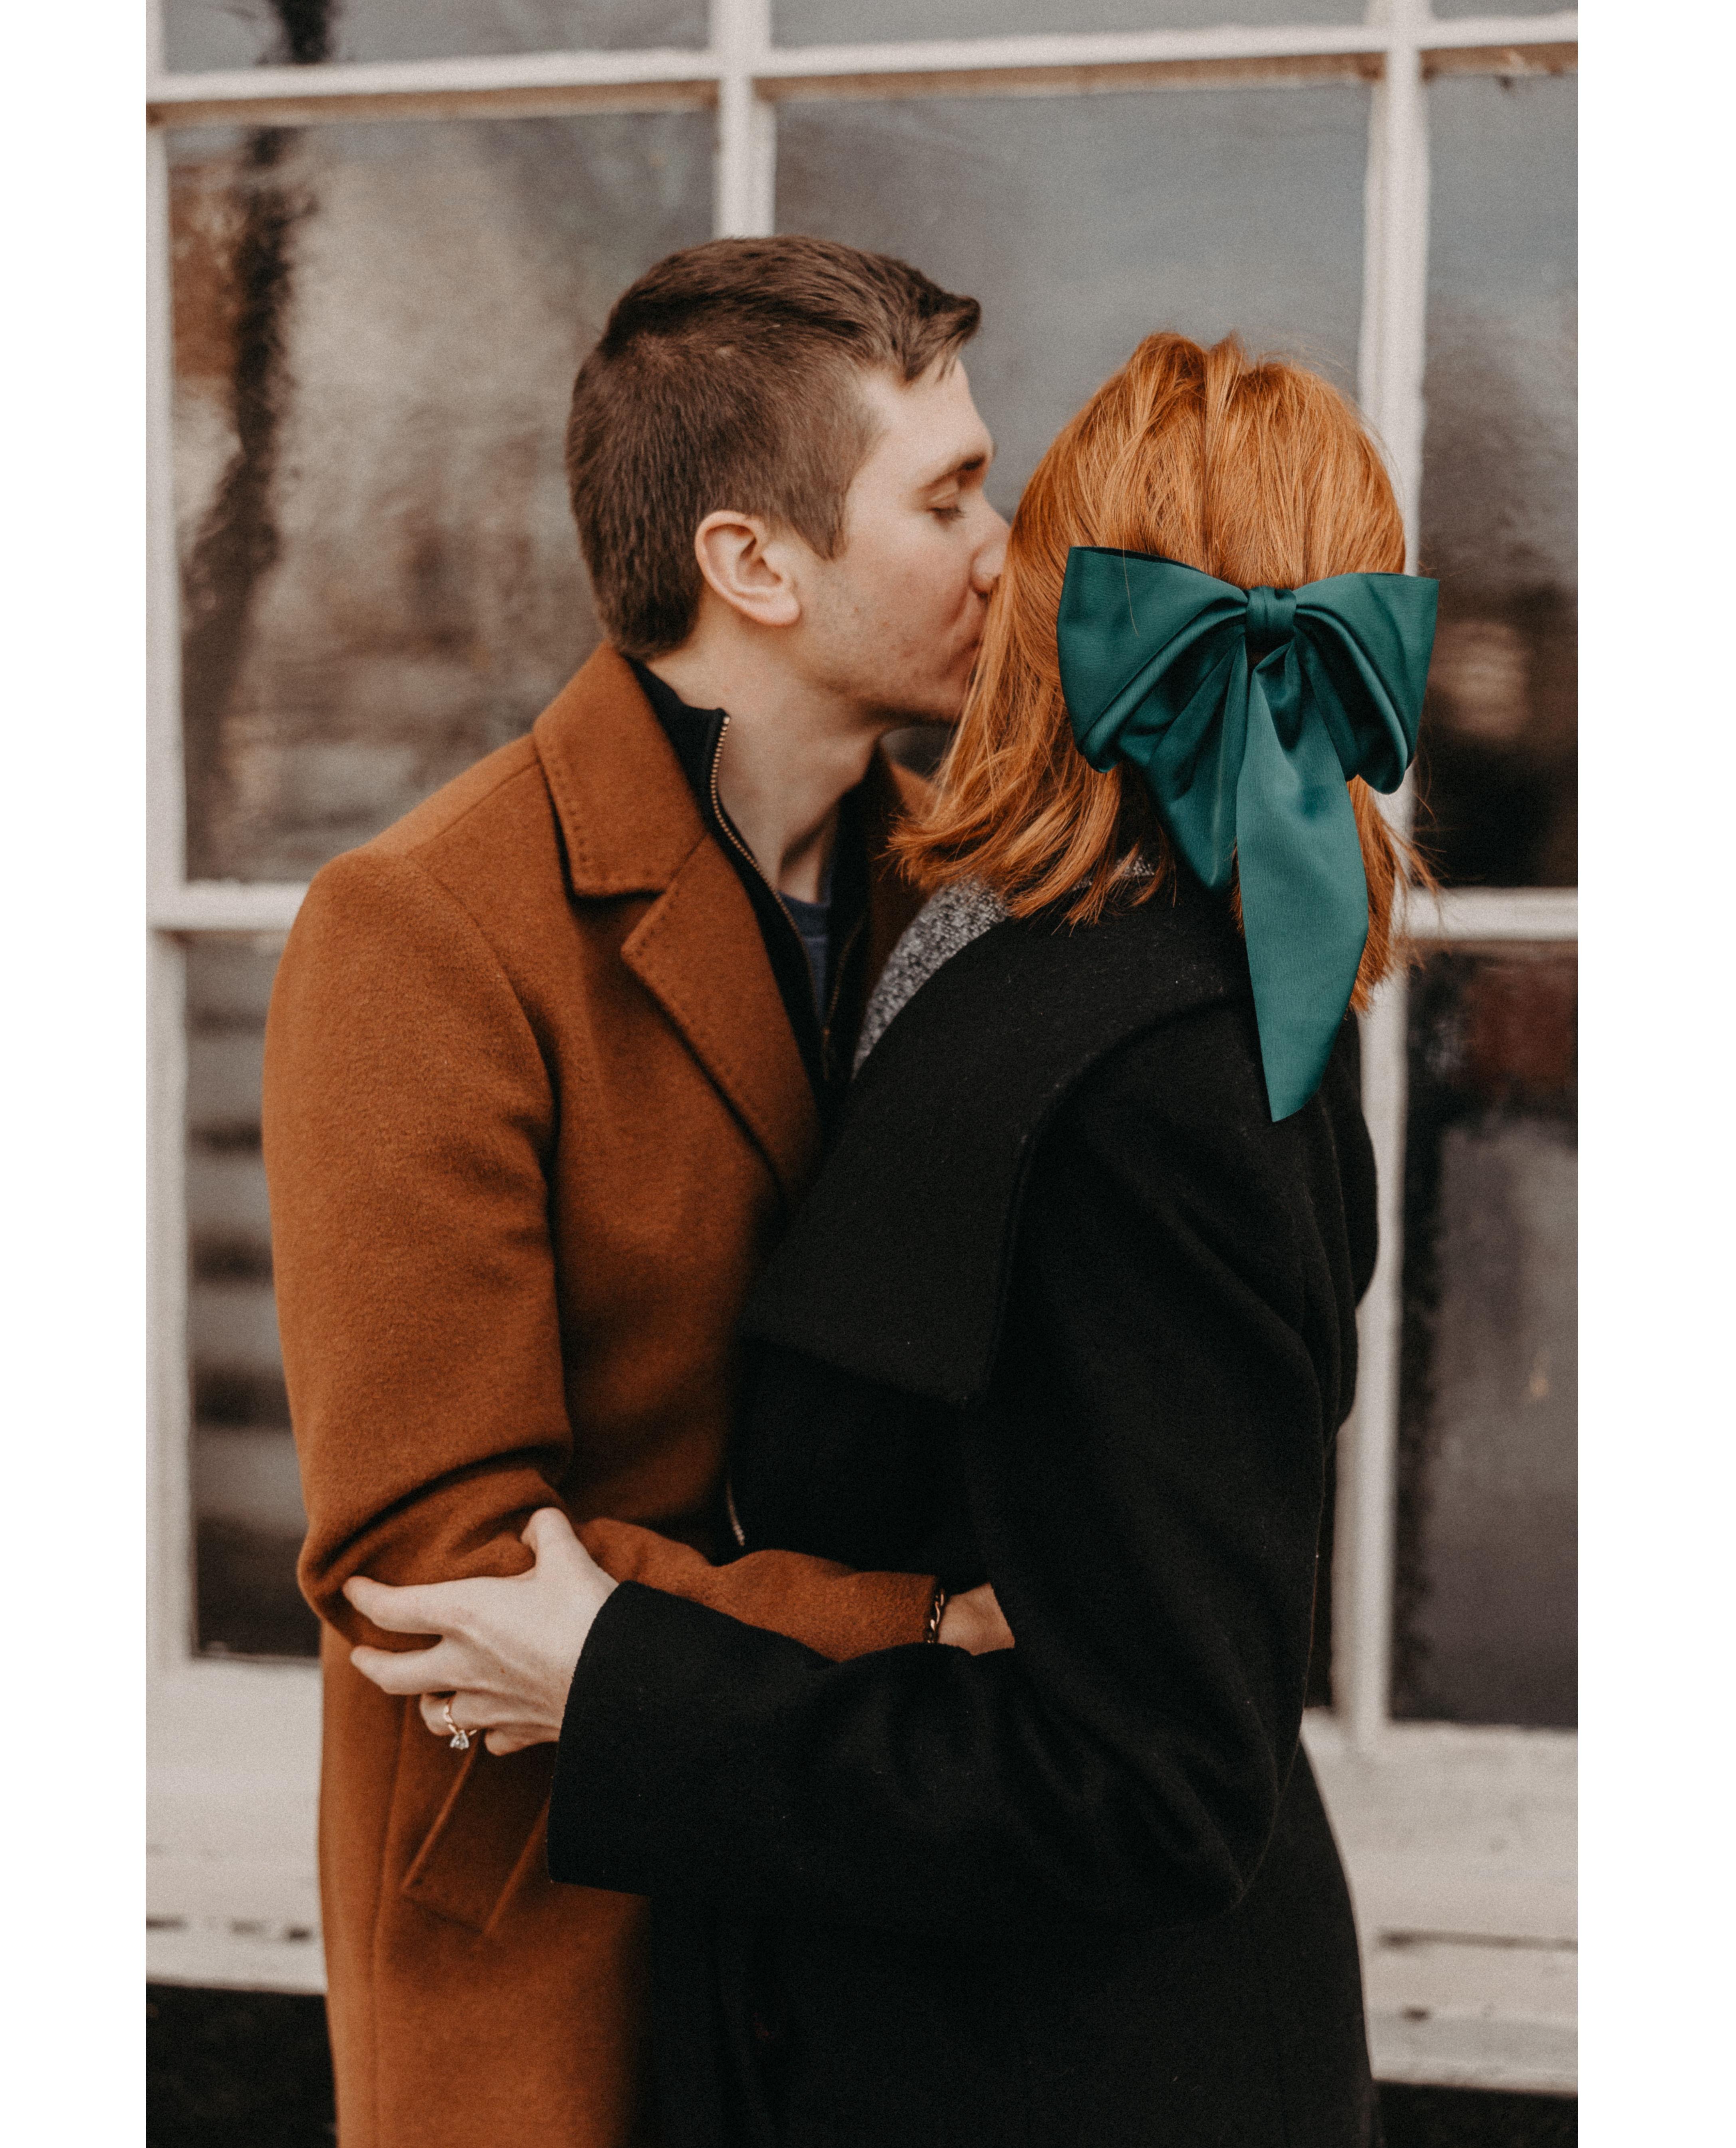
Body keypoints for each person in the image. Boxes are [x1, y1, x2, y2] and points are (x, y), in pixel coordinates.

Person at [343, 330, 1439, 2148]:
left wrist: (628, 1682)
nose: (989, 557)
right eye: (952, 501)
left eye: (1014, 513)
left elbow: (1154, 1785)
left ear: (1083, 613)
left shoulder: (1152, 1060)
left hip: (1067, 2076)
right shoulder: (1016, 925)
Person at [261, 236, 1013, 2148]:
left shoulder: (972, 896)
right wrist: (922, 1628)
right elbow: (434, 1565)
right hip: (558, 1937)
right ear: (754, 563)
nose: (1003, 550)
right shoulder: (421, 927)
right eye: (944, 499)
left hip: (885, 1924)